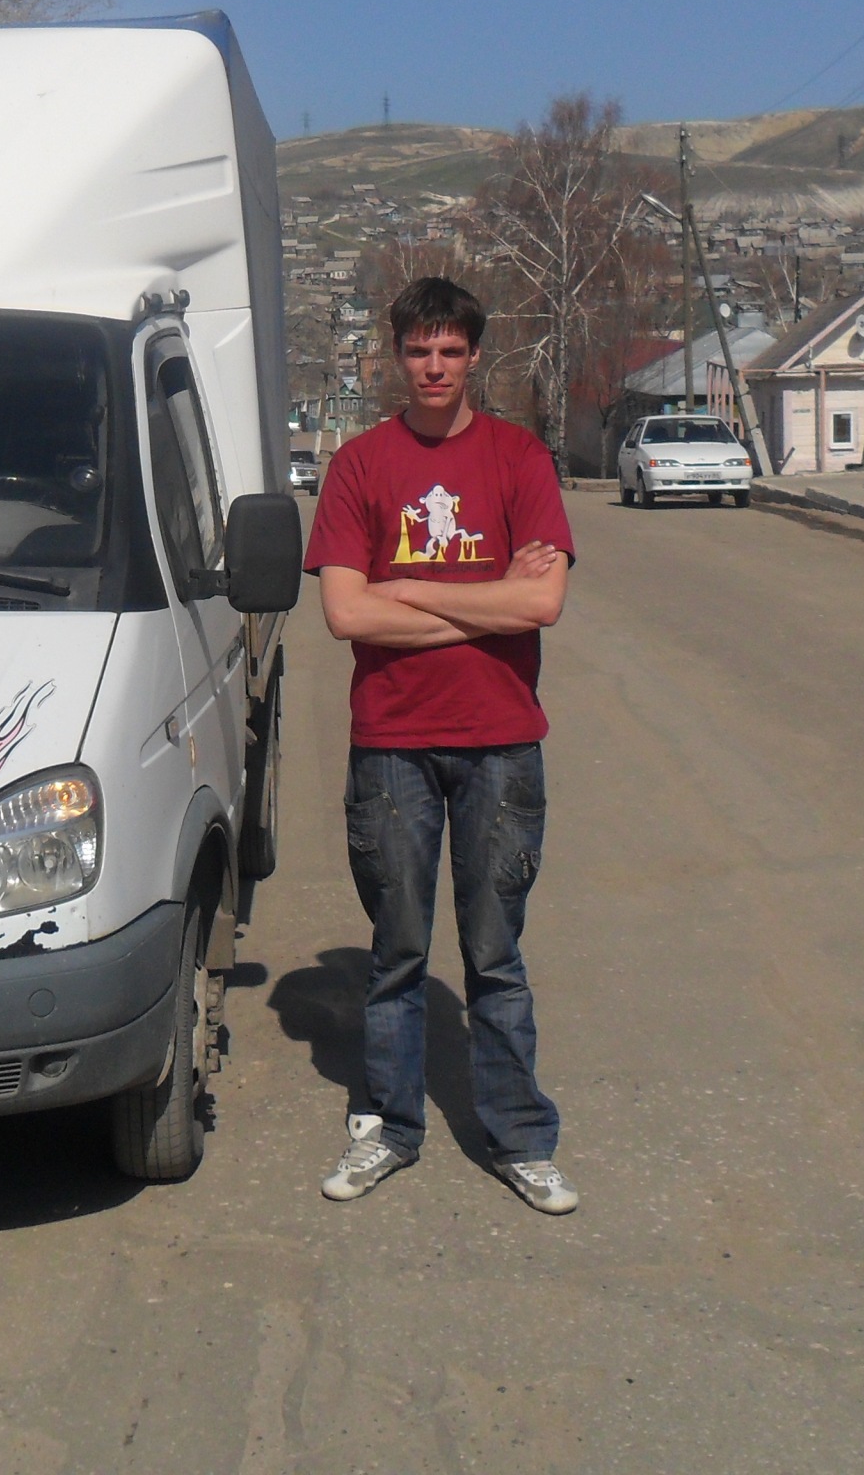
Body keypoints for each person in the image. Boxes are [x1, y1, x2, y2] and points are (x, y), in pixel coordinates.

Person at [301, 275, 579, 1215]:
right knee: (397, 952)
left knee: (495, 957)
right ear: (397, 356)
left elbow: (543, 602)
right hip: (393, 744)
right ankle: (391, 1125)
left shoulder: (518, 458)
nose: (433, 367)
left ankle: (521, 1139)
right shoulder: (360, 466)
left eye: (450, 351)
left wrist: (408, 590)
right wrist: (489, 601)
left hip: (501, 742)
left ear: (473, 357)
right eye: (418, 350)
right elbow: (346, 614)